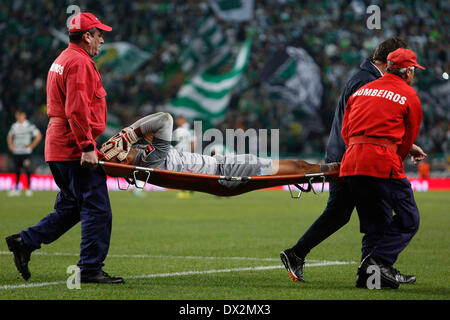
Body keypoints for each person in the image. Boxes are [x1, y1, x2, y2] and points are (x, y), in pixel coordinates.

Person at [279, 37, 426, 284]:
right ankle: (372, 271)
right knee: (370, 215)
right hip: (352, 156)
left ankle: (367, 274)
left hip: (350, 154)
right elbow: (365, 125)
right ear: (389, 62)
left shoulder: (364, 79)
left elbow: (358, 124)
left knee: (343, 213)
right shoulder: (370, 81)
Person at [5, 12, 124, 284]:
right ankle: (91, 269)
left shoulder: (62, 59)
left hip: (57, 145)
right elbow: (76, 109)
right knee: (97, 209)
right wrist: (86, 146)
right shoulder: (80, 63)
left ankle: (25, 241)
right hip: (73, 147)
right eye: (99, 34)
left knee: (71, 207)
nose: (102, 40)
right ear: (86, 36)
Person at [340, 48, 424, 289]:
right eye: (413, 71)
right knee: (409, 219)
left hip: (353, 162)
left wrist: (358, 152)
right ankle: (377, 263)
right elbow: (408, 138)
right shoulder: (408, 94)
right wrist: (394, 158)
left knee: (376, 224)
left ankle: (371, 279)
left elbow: (347, 131)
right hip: (381, 163)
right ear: (408, 72)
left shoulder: (362, 90)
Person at [99, 112, 340, 181]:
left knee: (294, 167)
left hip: (221, 166)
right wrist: (127, 134)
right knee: (296, 166)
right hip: (225, 170)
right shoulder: (149, 159)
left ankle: (329, 169)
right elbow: (163, 119)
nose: (130, 149)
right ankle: (332, 169)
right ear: (126, 158)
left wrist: (128, 140)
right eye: (126, 150)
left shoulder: (145, 159)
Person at [7, 109, 42, 197]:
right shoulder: (14, 126)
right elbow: (9, 136)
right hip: (17, 152)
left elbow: (38, 136)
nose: (19, 117)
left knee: (27, 169)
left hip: (26, 152)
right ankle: (16, 189)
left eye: (20, 115)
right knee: (17, 170)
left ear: (24, 116)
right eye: (17, 115)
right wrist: (11, 145)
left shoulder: (29, 125)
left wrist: (31, 145)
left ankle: (29, 188)